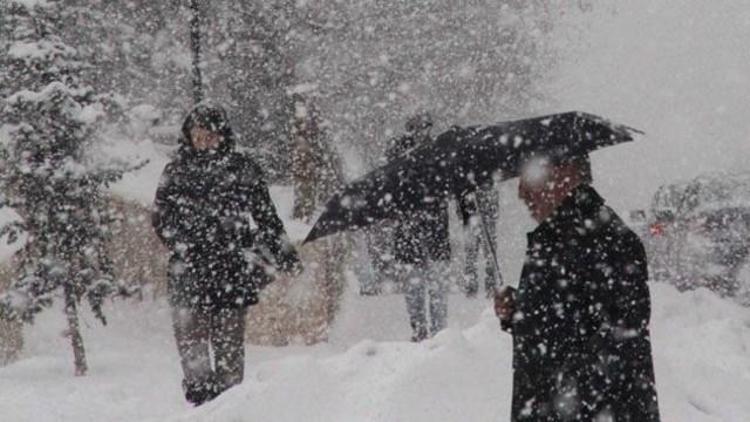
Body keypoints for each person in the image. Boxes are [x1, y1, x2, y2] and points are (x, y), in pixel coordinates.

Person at [152, 102, 302, 406]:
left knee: (229, 345)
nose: (204, 140)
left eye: (210, 134)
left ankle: (230, 404)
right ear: (189, 135)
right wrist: (184, 244)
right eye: (198, 134)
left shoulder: (243, 169)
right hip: (189, 269)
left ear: (222, 135)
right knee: (191, 343)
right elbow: (162, 218)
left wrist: (285, 254)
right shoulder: (177, 170)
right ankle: (200, 401)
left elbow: (266, 217)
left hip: (231, 268)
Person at [495, 155, 660, 421]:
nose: (521, 193)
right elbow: (564, 319)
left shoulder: (606, 241)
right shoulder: (554, 237)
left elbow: (616, 346)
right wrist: (517, 312)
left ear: (566, 173)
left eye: (529, 177)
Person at [386, 112, 452, 342]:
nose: (423, 132)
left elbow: (447, 185)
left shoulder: (439, 152)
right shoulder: (400, 155)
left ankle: (437, 333)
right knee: (418, 287)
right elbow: (393, 189)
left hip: (431, 230)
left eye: (426, 127)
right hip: (412, 230)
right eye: (419, 128)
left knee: (435, 287)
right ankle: (421, 330)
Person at [459, 181, 502, 297]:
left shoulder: (487, 183)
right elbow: (461, 207)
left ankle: (490, 286)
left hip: (484, 215)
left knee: (488, 253)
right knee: (472, 255)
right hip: (471, 218)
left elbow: (495, 210)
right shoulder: (463, 183)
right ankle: (473, 287)